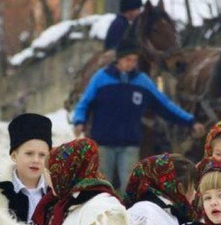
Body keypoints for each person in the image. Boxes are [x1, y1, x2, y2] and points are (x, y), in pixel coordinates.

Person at [72, 38, 204, 190]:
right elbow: (84, 102)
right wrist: (79, 120)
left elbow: (165, 105)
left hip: (130, 144)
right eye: (127, 59)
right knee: (101, 185)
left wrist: (190, 121)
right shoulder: (101, 78)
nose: (131, 64)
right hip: (103, 142)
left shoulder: (142, 81)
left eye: (134, 60)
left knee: (129, 186)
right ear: (118, 59)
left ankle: (128, 212)